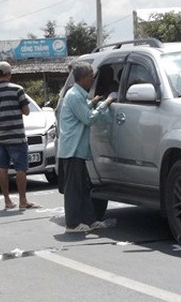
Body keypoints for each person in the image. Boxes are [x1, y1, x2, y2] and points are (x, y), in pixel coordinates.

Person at [57, 61, 116, 233]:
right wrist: (107, 102)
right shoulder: (75, 95)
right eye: (91, 77)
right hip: (72, 149)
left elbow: (82, 112)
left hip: (78, 150)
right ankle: (73, 224)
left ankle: (90, 220)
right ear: (83, 78)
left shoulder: (77, 94)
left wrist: (93, 102)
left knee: (83, 187)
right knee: (74, 190)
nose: (92, 80)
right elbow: (88, 118)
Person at [0, 61, 40, 210]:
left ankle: (7, 201)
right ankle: (23, 200)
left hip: (0, 136)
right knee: (20, 169)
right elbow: (26, 111)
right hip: (16, 136)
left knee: (2, 168)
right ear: (9, 74)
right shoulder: (18, 90)